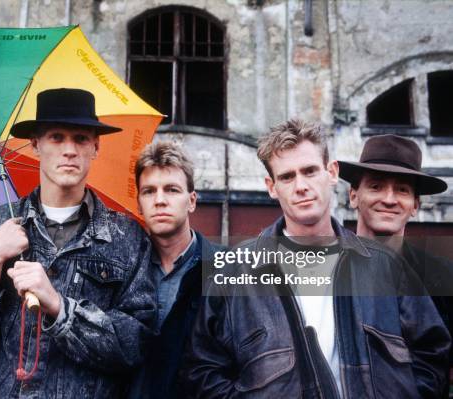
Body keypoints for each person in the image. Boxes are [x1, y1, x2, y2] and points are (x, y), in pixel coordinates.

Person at [183, 119, 450, 398]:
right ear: (272, 187)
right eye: (287, 177)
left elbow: (432, 351)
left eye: (310, 171)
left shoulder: (386, 265)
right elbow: (202, 369)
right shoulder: (233, 272)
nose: (301, 186)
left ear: (331, 172)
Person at [0, 88, 156, 398]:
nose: (69, 150)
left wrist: (59, 306)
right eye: (56, 137)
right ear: (36, 145)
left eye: (81, 139)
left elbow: (135, 345)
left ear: (95, 148)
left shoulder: (127, 238)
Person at [339, 133, 453, 391]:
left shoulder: (442, 278)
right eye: (376, 186)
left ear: (415, 204)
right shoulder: (326, 268)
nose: (389, 199)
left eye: (402, 189)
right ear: (354, 196)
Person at [129, 142, 220, 399]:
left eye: (171, 190)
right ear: (138, 203)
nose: (159, 201)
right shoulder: (124, 270)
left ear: (191, 201)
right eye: (149, 191)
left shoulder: (226, 269)